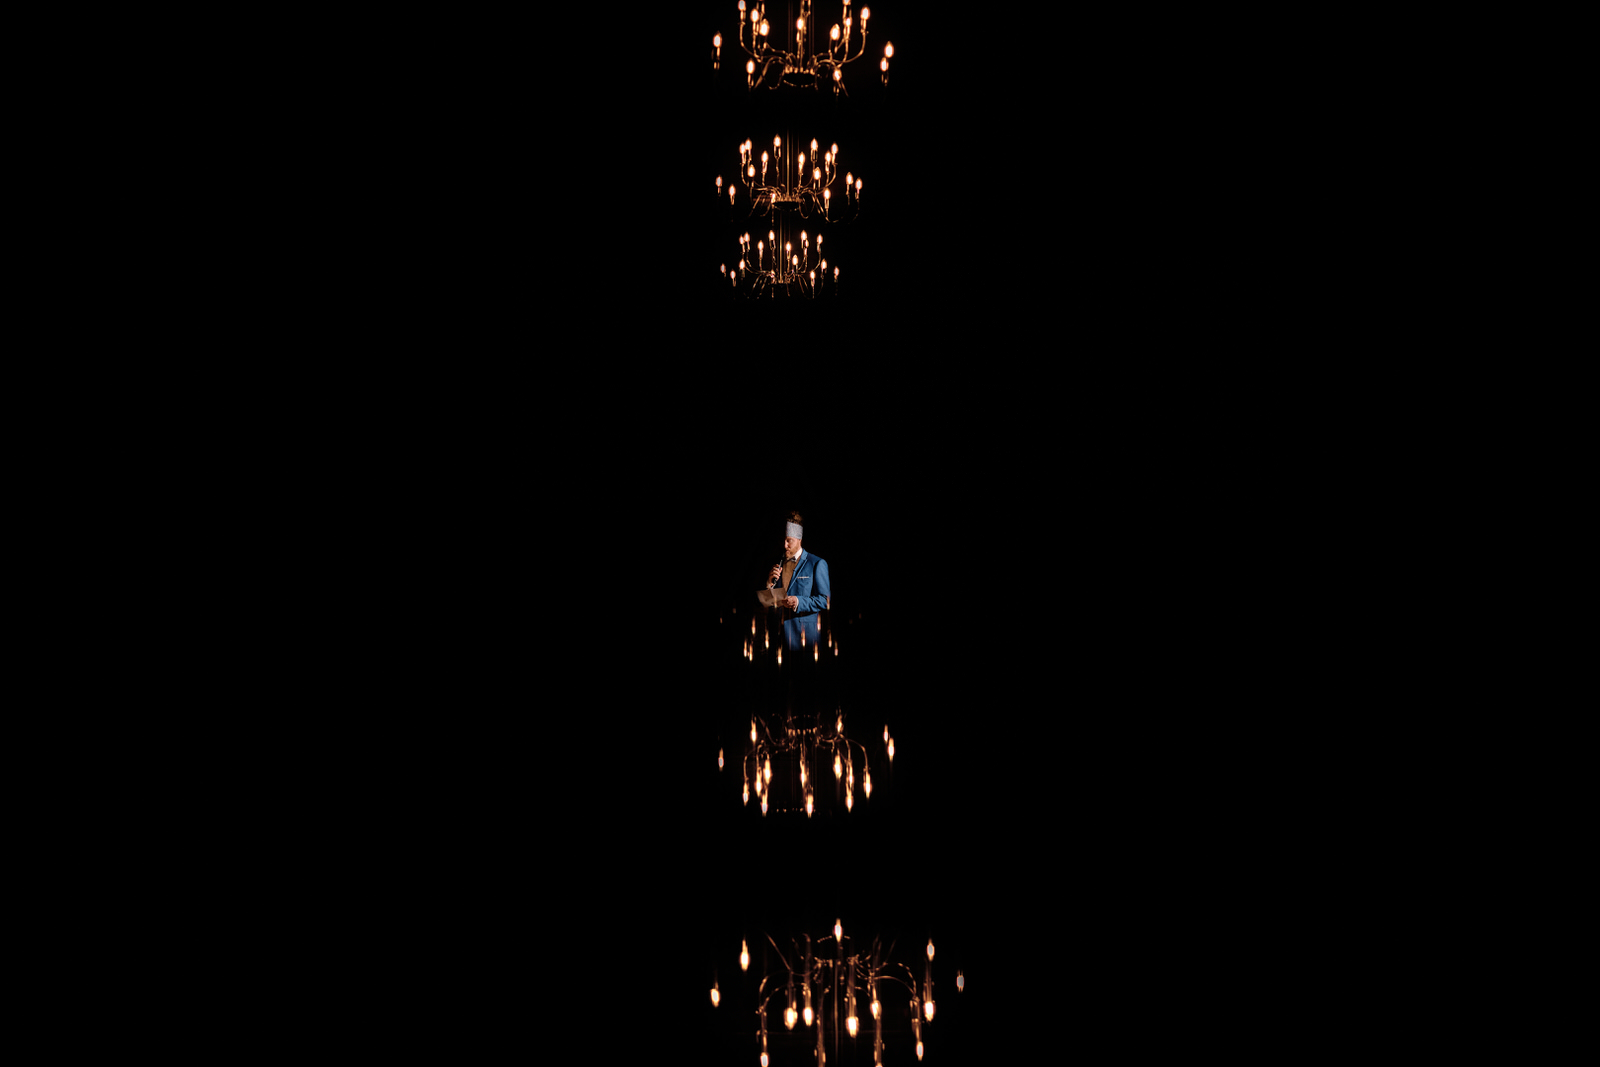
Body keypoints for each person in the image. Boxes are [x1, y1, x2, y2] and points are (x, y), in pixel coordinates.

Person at [765, 511, 830, 651]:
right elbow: (770, 604)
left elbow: (825, 600)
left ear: (799, 539)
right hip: (778, 640)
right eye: (783, 540)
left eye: (789, 540)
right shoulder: (777, 563)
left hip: (804, 640)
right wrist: (769, 586)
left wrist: (798, 601)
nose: (785, 545)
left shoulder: (816, 563)